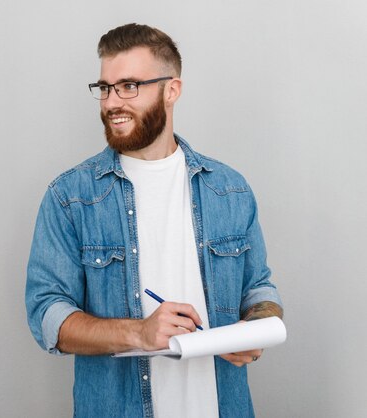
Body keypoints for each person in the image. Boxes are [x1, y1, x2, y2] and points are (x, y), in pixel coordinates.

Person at [25, 23, 283, 418]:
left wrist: (258, 326)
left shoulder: (230, 189)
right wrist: (139, 332)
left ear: (171, 90)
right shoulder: (70, 197)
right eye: (105, 87)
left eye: (129, 85)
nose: (112, 102)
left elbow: (258, 289)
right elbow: (47, 316)